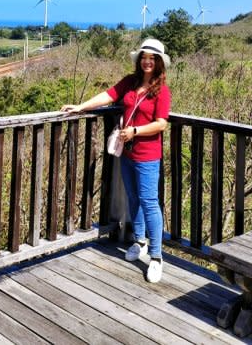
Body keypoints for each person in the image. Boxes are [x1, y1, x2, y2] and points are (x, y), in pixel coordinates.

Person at [62, 38, 171, 283]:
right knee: (133, 197)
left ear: (159, 63)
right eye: (145, 57)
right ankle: (139, 241)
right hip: (128, 153)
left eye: (153, 58)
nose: (147, 61)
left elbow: (162, 123)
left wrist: (136, 131)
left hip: (147, 154)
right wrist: (81, 107)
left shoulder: (162, 90)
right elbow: (108, 95)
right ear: (139, 59)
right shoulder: (130, 83)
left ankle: (156, 257)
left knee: (150, 202)